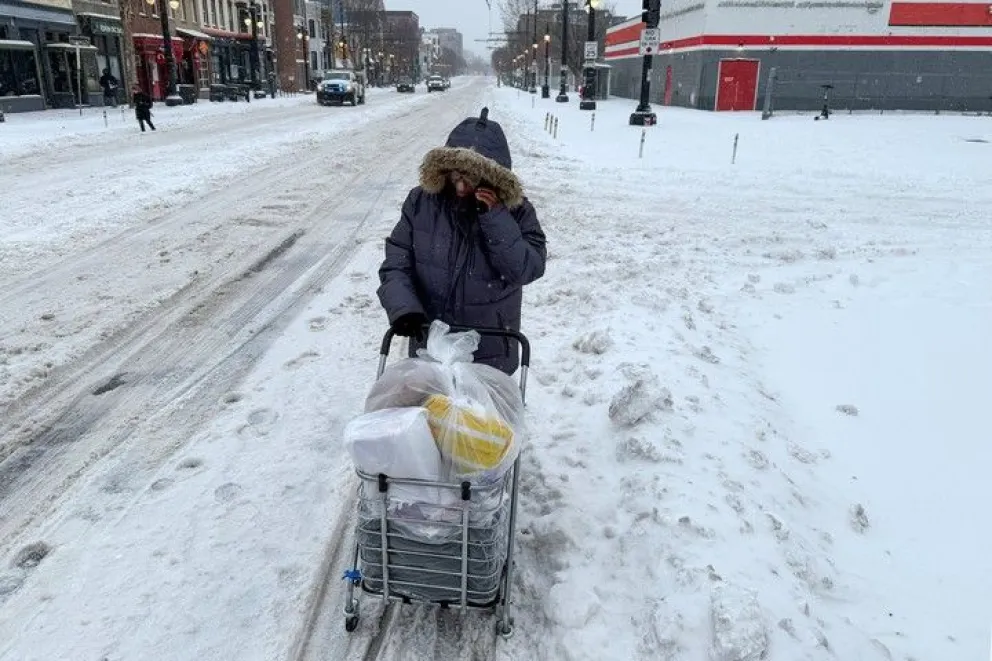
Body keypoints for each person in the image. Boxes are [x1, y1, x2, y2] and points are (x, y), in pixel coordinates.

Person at [377, 107, 547, 376]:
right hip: (432, 345)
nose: (460, 187)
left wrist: (495, 217)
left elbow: (526, 269)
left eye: (472, 179)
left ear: (493, 177)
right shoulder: (421, 202)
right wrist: (404, 308)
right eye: (456, 176)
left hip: (489, 351)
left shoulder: (517, 212)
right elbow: (397, 261)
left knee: (481, 407)